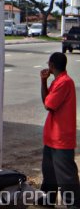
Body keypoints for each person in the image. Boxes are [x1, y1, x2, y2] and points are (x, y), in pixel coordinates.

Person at [39, 52, 80, 207]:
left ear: (51, 66)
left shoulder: (64, 82)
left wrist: (45, 82)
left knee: (66, 177)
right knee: (49, 174)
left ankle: (74, 204)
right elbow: (47, 100)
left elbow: (48, 105)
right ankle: (47, 200)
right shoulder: (57, 81)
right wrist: (43, 82)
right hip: (52, 137)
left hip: (61, 139)